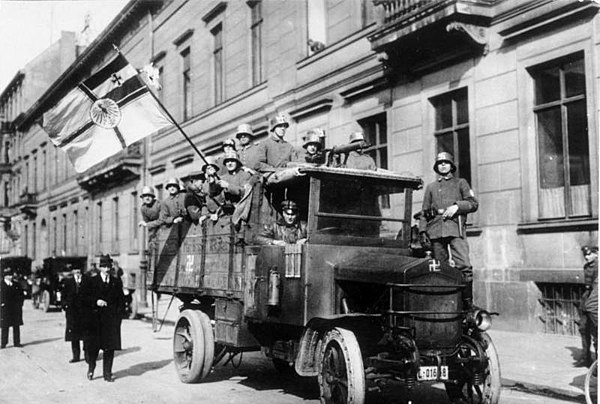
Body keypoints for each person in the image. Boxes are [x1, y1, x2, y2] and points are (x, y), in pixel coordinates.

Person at [419, 152, 479, 308]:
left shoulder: (461, 183)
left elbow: (473, 203)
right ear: (436, 167)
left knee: (464, 266)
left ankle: (467, 305)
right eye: (440, 163)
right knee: (440, 268)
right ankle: (443, 303)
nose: (443, 165)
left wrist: (457, 206)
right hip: (435, 230)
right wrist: (422, 231)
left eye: (446, 162)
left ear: (452, 166)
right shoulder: (431, 187)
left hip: (455, 228)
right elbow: (424, 211)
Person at [81, 254, 125, 382]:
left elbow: (121, 301)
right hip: (95, 321)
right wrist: (96, 301)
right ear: (100, 268)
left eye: (108, 267)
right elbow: (84, 298)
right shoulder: (92, 281)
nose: (106, 270)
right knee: (93, 348)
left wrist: (118, 319)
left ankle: (107, 374)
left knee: (109, 349)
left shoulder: (116, 282)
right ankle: (91, 367)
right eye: (104, 267)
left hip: (110, 322)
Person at [577, 245, 598, 367]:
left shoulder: (598, 265)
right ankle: (586, 357)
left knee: (596, 332)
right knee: (583, 328)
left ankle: (597, 364)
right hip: (586, 297)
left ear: (595, 253)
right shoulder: (587, 266)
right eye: (585, 255)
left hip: (595, 298)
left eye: (589, 254)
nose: (586, 257)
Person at [61, 267, 85, 363]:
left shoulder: (86, 280)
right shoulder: (68, 282)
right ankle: (76, 356)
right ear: (73, 272)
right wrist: (65, 306)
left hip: (83, 312)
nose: (78, 272)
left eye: (79, 270)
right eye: (76, 270)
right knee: (74, 335)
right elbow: (64, 295)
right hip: (72, 312)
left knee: (85, 334)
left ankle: (87, 355)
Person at [0, 268, 24, 348]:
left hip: (15, 308)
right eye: (8, 275)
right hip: (5, 309)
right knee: (4, 326)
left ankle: (17, 342)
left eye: (11, 275)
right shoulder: (1, 285)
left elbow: (21, 295)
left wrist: (20, 304)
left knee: (16, 325)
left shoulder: (16, 285)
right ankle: (3, 343)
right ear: (5, 276)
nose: (10, 277)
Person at [138, 186, 161, 250]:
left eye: (149, 196)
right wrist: (150, 240)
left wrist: (147, 224)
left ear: (153, 197)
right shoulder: (143, 208)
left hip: (164, 227)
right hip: (154, 230)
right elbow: (149, 227)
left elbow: (162, 220)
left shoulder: (159, 205)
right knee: (151, 246)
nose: (147, 198)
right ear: (142, 198)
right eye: (145, 196)